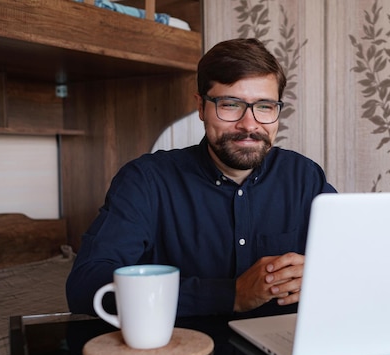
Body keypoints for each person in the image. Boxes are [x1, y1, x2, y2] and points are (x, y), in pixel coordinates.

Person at [66, 38, 336, 318]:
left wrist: (323, 274)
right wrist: (231, 295)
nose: (249, 124)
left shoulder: (305, 177)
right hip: (179, 354)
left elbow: (356, 263)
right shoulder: (146, 181)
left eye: (265, 106)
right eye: (230, 104)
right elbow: (86, 287)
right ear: (200, 107)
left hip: (289, 351)